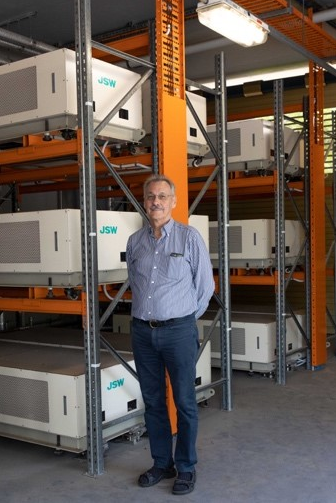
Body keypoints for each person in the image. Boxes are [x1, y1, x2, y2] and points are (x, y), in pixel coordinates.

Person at [125, 173, 214, 496]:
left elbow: (205, 287)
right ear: (144, 202)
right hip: (142, 332)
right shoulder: (135, 242)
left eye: (162, 196)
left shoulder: (189, 239)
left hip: (178, 331)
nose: (156, 202)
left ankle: (186, 467)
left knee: (185, 401)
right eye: (150, 196)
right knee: (153, 401)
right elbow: (135, 283)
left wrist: (183, 319)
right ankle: (162, 463)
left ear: (173, 202)